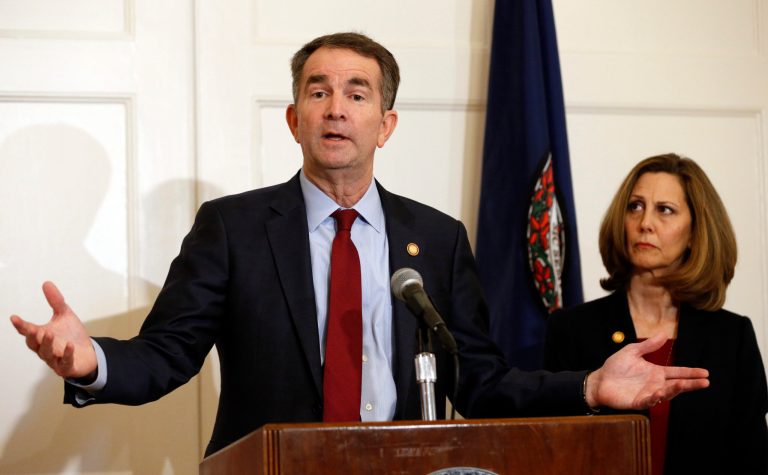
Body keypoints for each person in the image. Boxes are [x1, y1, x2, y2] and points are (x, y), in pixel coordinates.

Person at [11, 33, 709, 458]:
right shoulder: (234, 228)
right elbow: (167, 355)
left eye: (356, 93)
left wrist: (588, 384)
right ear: (294, 119)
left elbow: (483, 380)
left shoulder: (435, 240)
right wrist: (90, 359)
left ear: (387, 122)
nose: (336, 107)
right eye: (317, 92)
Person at [544, 153, 768, 475]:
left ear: (695, 233)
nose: (645, 223)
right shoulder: (571, 329)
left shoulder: (732, 337)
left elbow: (751, 460)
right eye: (635, 206)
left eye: (665, 210)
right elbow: (555, 450)